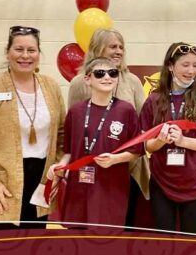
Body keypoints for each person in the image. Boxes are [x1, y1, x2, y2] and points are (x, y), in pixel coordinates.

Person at [0, 26, 66, 230]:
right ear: (7, 52)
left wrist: (57, 172)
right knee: (0, 251)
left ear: (39, 53)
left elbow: (62, 134)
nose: (25, 56)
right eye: (19, 49)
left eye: (31, 50)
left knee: (32, 250)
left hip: (40, 183)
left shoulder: (51, 87)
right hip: (2, 185)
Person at [138, 42, 196, 234]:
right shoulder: (154, 99)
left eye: (194, 65)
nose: (191, 70)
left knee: (189, 244)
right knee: (165, 242)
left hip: (194, 183)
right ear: (170, 66)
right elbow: (147, 146)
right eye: (185, 65)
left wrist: (183, 141)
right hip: (161, 183)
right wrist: (161, 140)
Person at [68, 28, 149, 227]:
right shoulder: (79, 83)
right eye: (113, 46)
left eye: (122, 47)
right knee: (89, 224)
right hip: (91, 168)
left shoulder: (132, 81)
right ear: (97, 48)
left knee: (123, 223)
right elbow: (74, 128)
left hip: (128, 168)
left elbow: (144, 123)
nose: (119, 51)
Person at [51, 57, 139, 228]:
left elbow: (137, 150)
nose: (107, 77)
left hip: (111, 189)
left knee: (106, 244)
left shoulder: (126, 110)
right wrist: (59, 168)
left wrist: (115, 159)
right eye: (100, 74)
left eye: (113, 73)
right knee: (77, 244)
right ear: (87, 79)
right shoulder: (75, 112)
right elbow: (69, 151)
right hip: (79, 188)